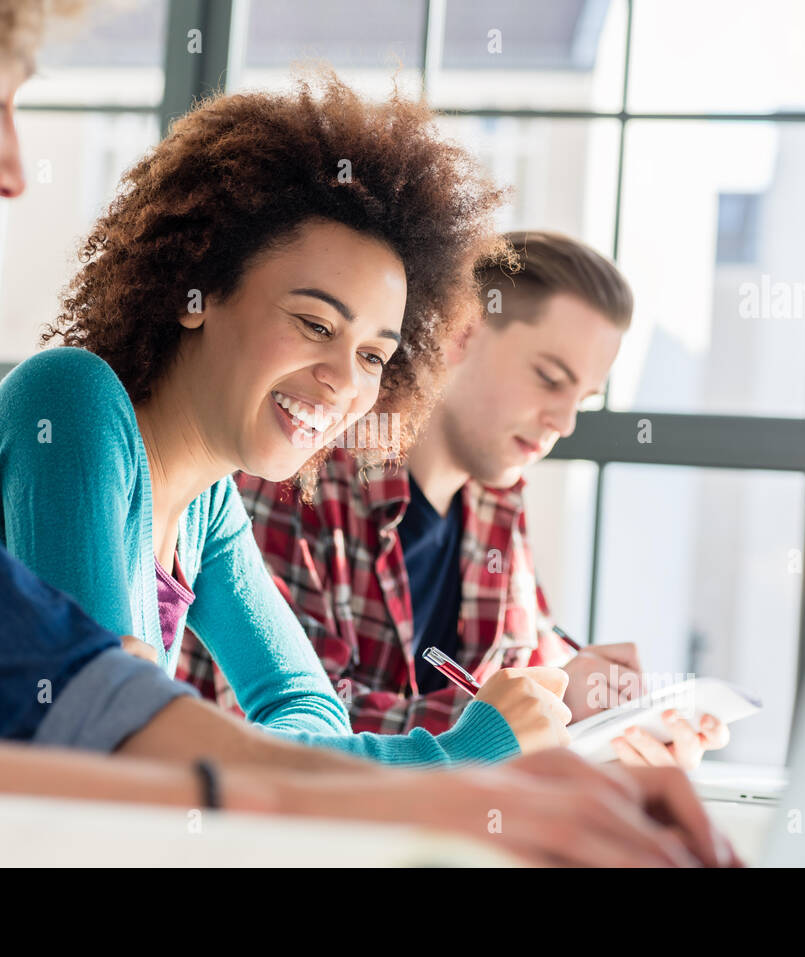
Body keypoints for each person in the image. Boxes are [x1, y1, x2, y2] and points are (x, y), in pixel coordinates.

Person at [0, 0, 735, 865]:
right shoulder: (75, 408)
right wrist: (398, 787)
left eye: (374, 352)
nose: (14, 168)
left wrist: (444, 796)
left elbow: (74, 693)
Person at [0, 70, 579, 767]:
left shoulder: (207, 503)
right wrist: (457, 754)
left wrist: (173, 722)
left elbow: (308, 706)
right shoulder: (71, 405)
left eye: (372, 355)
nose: (341, 381)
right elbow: (113, 754)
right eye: (314, 323)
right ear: (194, 292)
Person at [179, 231, 730, 769]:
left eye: (582, 398)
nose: (564, 423)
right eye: (548, 378)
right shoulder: (296, 467)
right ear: (461, 335)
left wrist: (613, 717)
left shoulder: (500, 500)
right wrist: (525, 718)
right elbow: (296, 736)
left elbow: (529, 673)